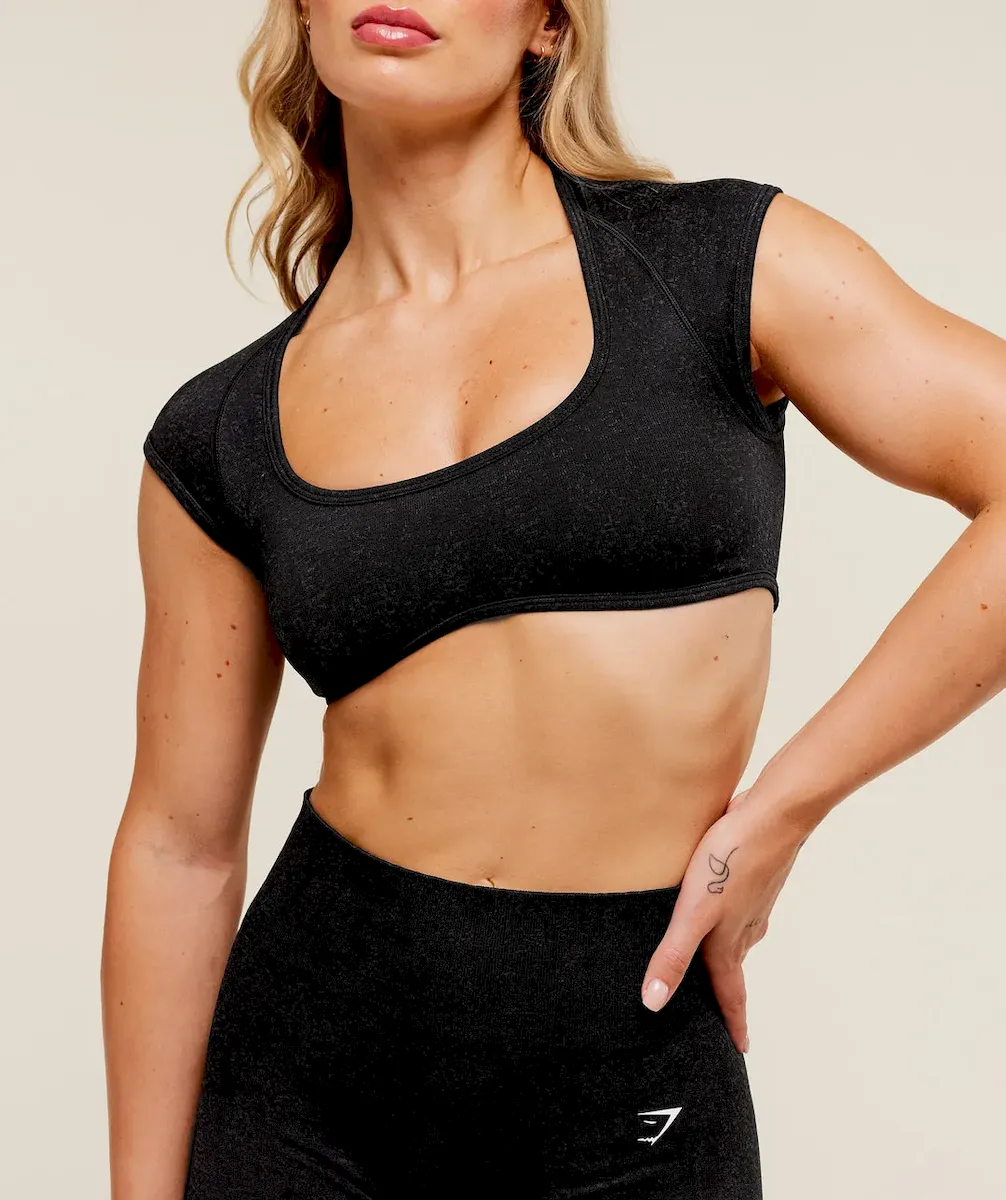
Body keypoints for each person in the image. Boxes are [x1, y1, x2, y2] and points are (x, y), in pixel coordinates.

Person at [101, 2, 1006, 1197]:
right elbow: (178, 846)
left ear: (546, 24)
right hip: (306, 1094)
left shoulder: (716, 267)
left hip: (630, 1076)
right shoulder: (220, 432)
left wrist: (784, 809)